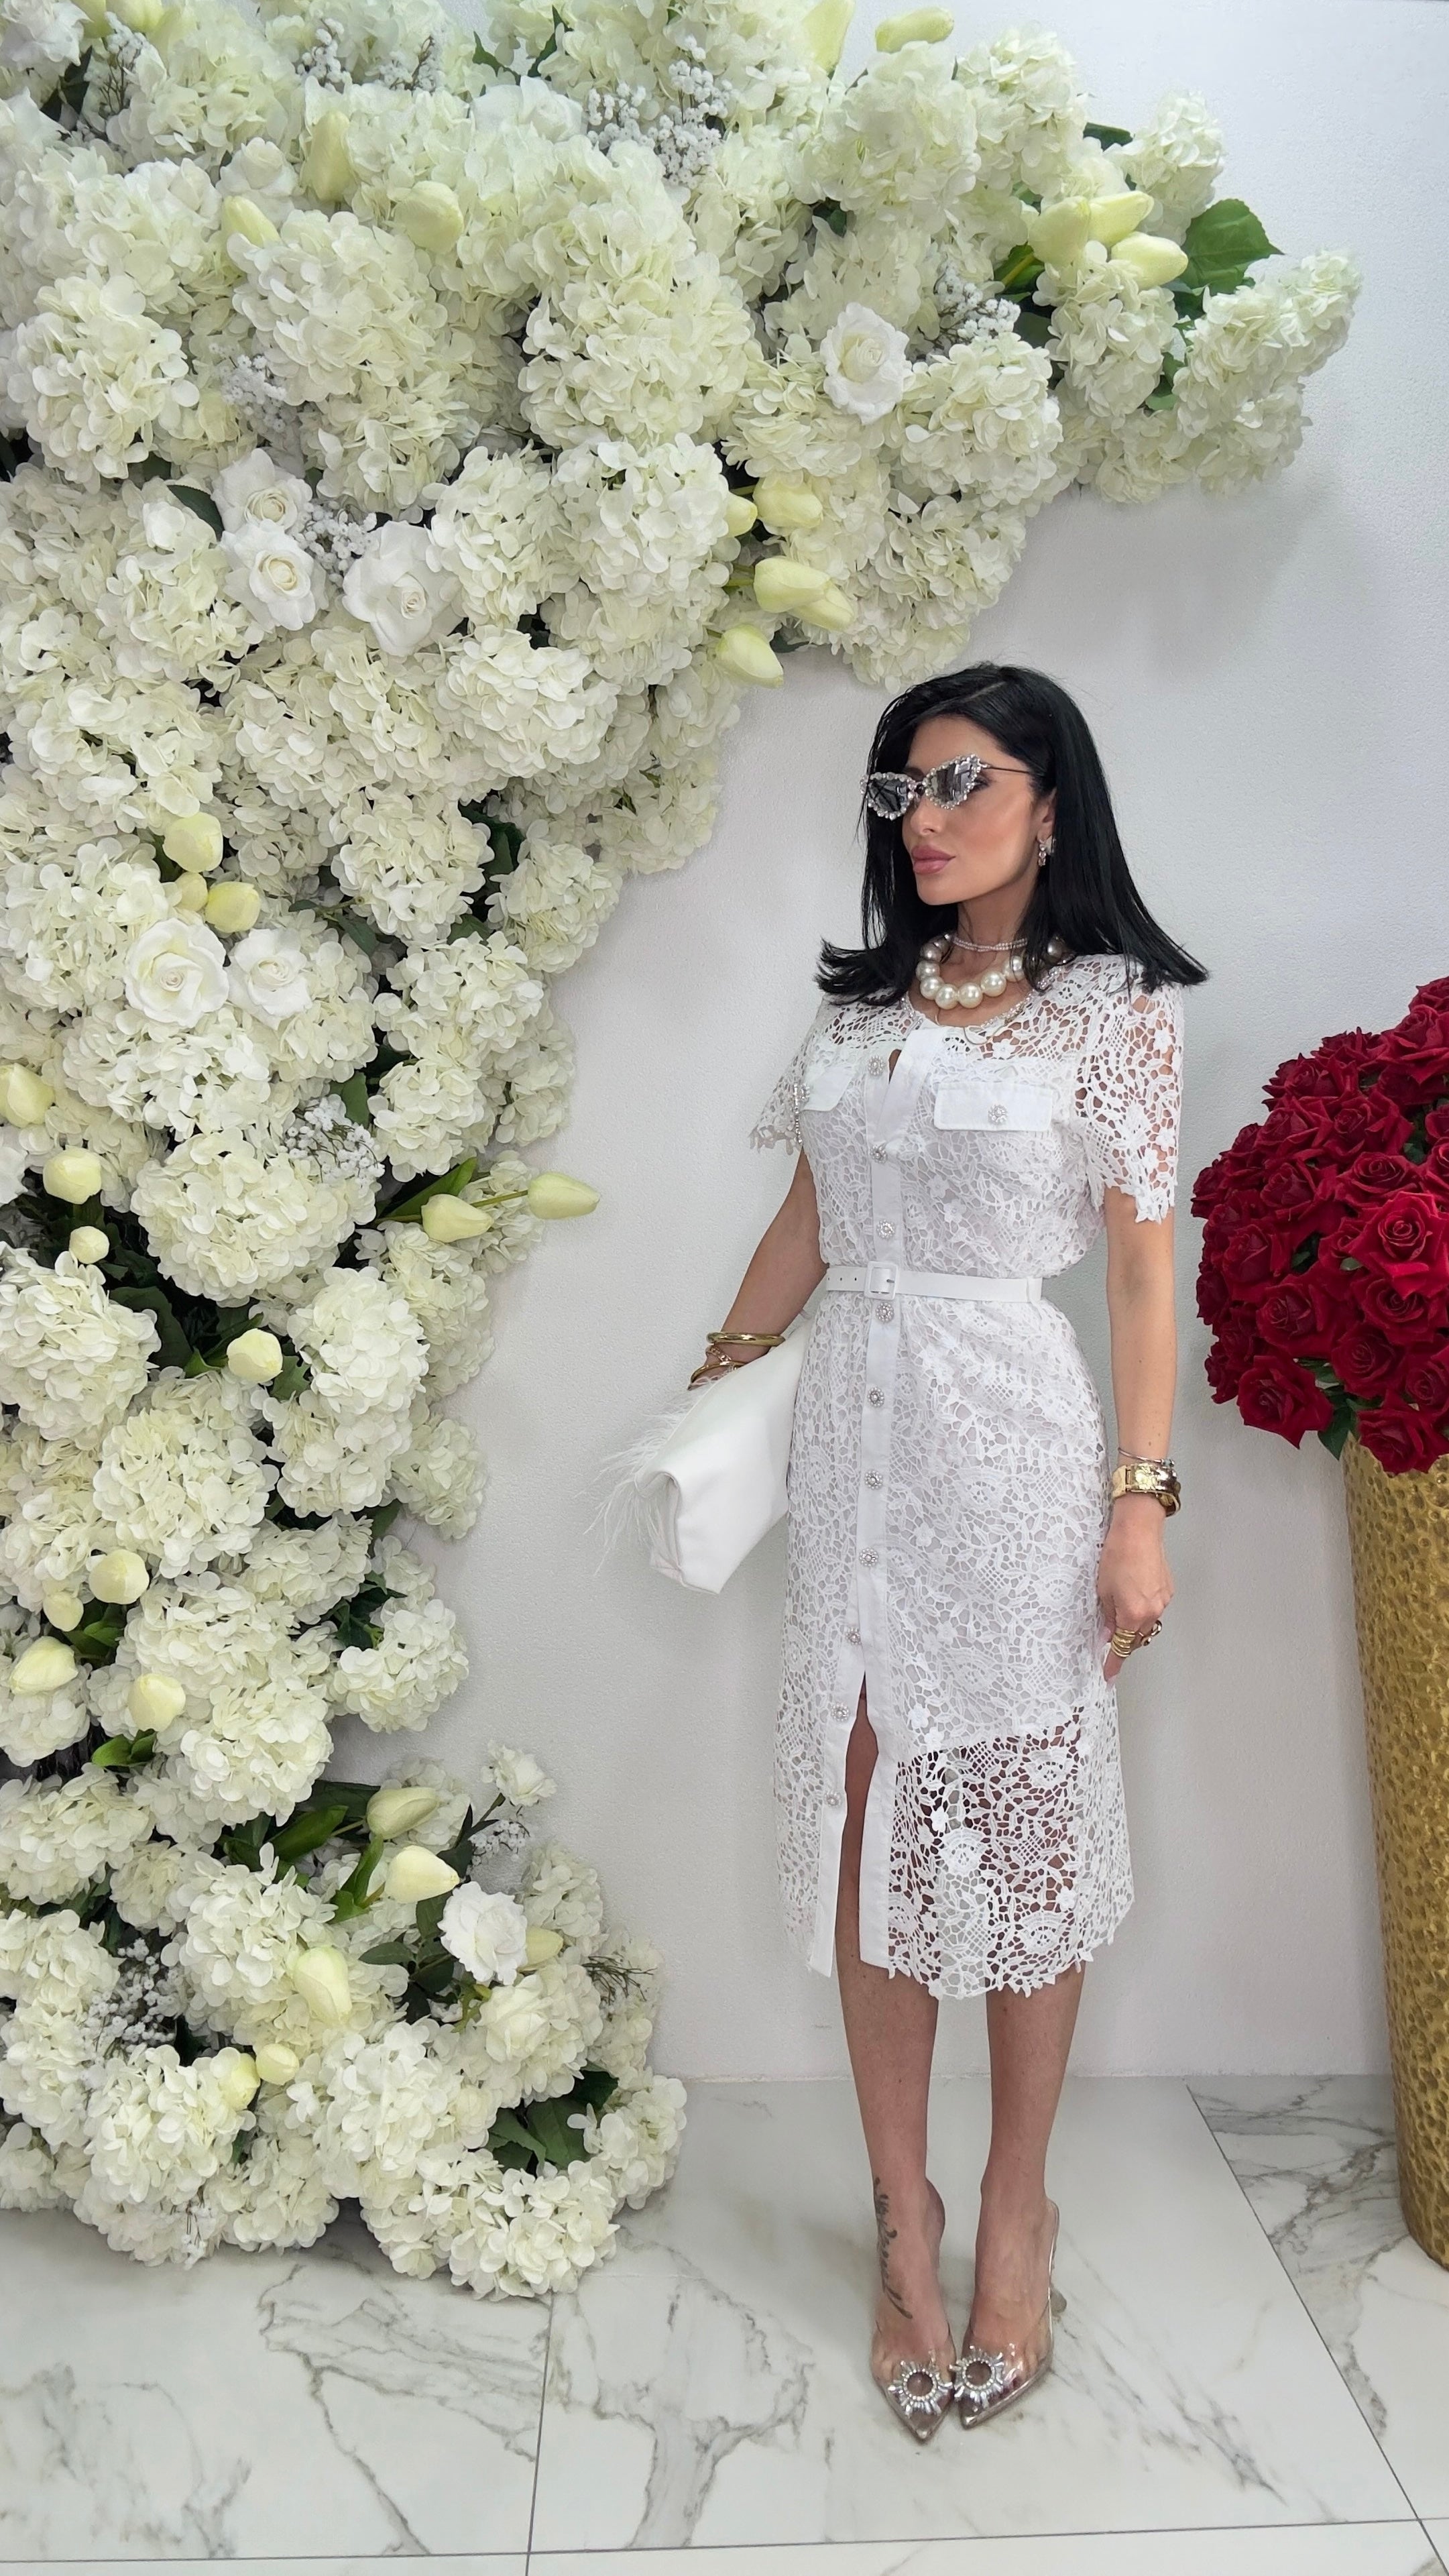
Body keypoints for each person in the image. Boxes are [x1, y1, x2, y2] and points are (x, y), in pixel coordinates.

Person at [689, 663, 1205, 2439]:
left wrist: (1138, 1500)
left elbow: (1137, 1270)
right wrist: (716, 1385)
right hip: (854, 1448)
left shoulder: (1111, 1014)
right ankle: (900, 2212)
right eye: (903, 789)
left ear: (1052, 804)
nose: (926, 819)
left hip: (1011, 1447)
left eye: (966, 781)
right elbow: (811, 1217)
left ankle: (1016, 2206)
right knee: (869, 1817)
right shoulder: (860, 1009)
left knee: (1020, 1812)